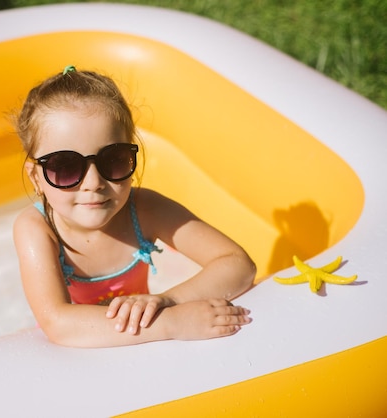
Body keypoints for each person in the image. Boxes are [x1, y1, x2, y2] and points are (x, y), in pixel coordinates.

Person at [13, 65, 255, 348]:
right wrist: (171, 322)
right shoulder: (38, 229)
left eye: (113, 159)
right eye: (64, 167)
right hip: (84, 349)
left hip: (140, 341)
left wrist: (167, 301)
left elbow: (238, 264)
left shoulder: (144, 209)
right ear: (36, 177)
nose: (93, 183)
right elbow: (59, 325)